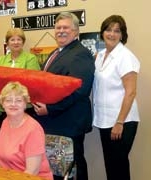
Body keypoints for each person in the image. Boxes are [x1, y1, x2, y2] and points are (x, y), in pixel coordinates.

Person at [32, 12, 95, 180]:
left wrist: (50, 109)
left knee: (72, 167)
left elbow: (80, 90)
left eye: (65, 27)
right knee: (58, 169)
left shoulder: (80, 54)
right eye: (58, 27)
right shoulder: (57, 52)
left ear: (75, 31)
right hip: (56, 123)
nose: (61, 31)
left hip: (68, 122)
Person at [92, 15, 140, 180]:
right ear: (103, 32)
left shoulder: (125, 56)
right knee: (111, 166)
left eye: (116, 31)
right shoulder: (100, 55)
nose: (111, 34)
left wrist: (119, 122)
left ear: (122, 35)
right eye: (108, 30)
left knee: (118, 168)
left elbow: (131, 92)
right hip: (105, 120)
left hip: (122, 121)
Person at [0, 82, 53, 180]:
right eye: (8, 100)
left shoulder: (33, 129)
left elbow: (31, 172)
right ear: (2, 103)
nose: (13, 104)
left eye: (18, 100)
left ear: (25, 104)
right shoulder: (5, 122)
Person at [0, 27, 40, 132]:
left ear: (23, 42)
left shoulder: (30, 58)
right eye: (12, 39)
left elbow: (32, 83)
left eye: (19, 39)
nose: (16, 42)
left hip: (25, 107)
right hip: (5, 107)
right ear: (7, 43)